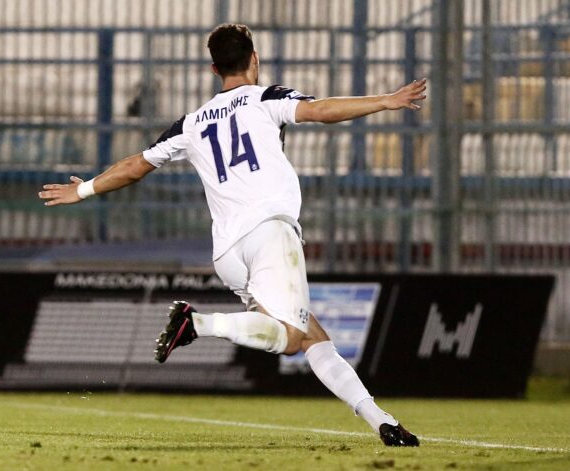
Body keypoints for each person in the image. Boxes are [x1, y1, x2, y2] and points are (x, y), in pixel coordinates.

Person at [39, 23, 426, 447]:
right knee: (291, 338)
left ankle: (382, 422)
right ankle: (198, 323)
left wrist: (84, 189)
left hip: (227, 252)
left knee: (310, 336)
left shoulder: (190, 123)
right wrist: (385, 100)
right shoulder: (267, 98)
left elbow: (136, 166)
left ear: (214, 69)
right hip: (270, 234)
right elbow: (319, 110)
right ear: (254, 59)